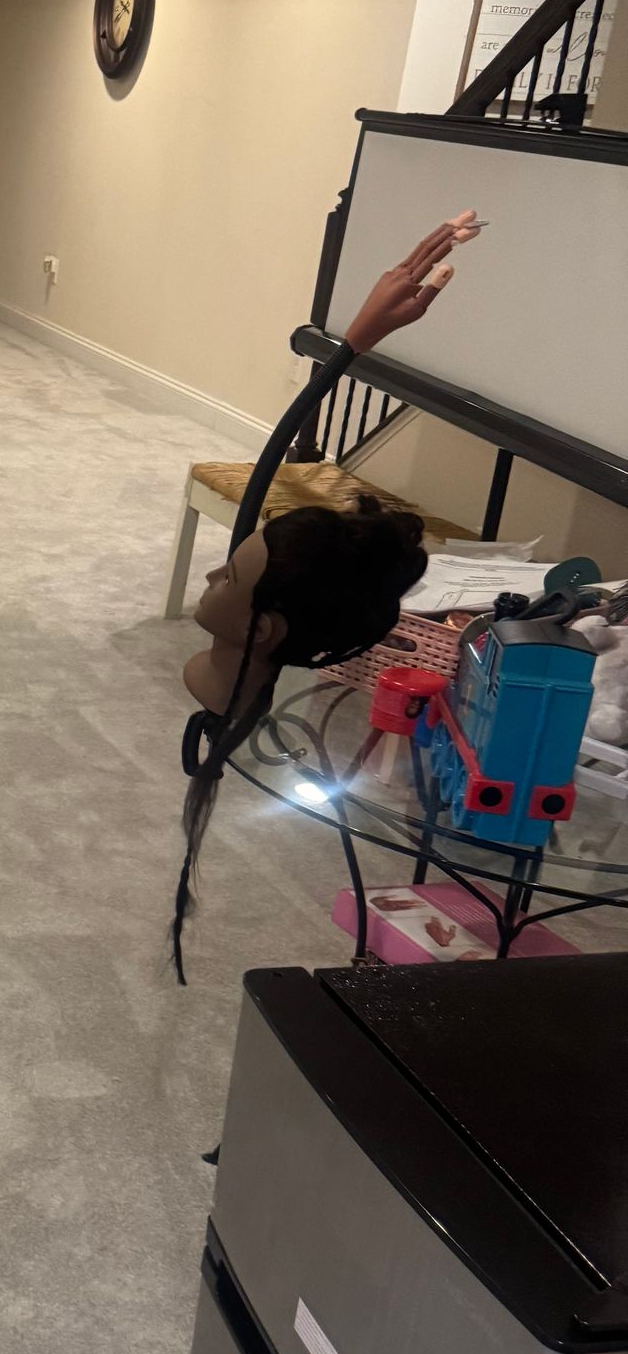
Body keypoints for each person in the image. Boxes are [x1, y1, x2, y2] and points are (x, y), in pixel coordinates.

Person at [170, 211, 482, 981]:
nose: (211, 578)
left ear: (268, 630)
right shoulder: (264, 613)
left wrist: (353, 348)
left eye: (228, 579)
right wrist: (351, 348)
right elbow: (281, 443)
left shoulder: (265, 628)